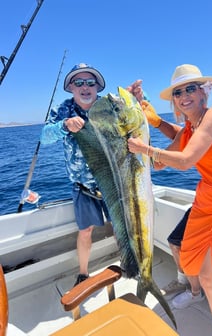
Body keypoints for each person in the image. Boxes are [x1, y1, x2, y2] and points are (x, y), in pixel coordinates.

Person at [128, 64, 212, 336]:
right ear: (174, 99)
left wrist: (144, 148)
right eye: (178, 91)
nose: (185, 95)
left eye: (191, 88)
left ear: (203, 92)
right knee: (187, 253)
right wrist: (138, 114)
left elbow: (185, 160)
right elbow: (161, 164)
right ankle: (196, 293)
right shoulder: (189, 127)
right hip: (208, 198)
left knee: (209, 277)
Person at [40, 63, 142, 287]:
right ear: (71, 87)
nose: (85, 87)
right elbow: (44, 136)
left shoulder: (110, 106)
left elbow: (134, 115)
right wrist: (64, 125)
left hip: (115, 183)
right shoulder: (63, 109)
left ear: (97, 87)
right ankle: (83, 274)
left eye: (90, 82)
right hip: (83, 187)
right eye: (79, 82)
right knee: (85, 231)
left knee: (121, 226)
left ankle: (130, 264)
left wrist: (136, 98)